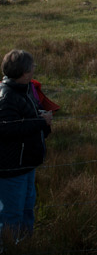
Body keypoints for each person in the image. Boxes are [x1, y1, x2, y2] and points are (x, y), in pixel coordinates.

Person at [0, 49, 53, 242]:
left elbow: (23, 119)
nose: (34, 69)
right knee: (12, 212)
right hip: (13, 167)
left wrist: (40, 116)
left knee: (27, 205)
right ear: (23, 72)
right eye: (32, 67)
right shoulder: (6, 97)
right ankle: (9, 245)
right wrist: (41, 122)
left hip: (27, 163)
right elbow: (6, 130)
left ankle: (24, 243)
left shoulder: (25, 89)